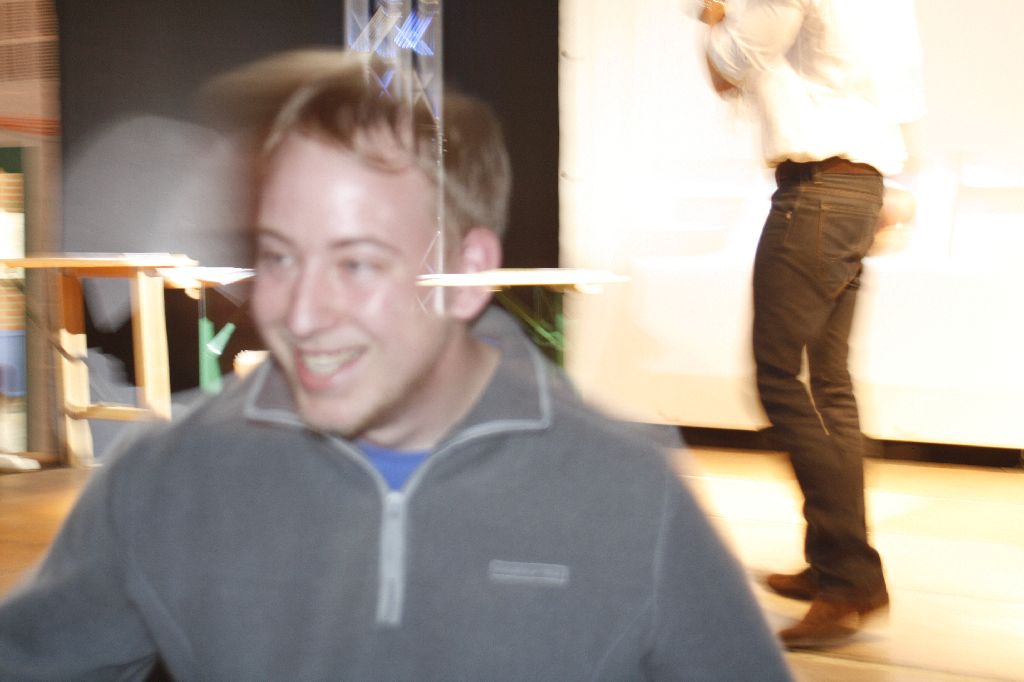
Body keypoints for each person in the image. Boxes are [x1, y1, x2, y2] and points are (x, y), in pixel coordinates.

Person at [0, 49, 792, 680]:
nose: (301, 314)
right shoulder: (168, 482)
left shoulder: (626, 493)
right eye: (278, 255)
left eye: (358, 262)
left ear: (468, 274)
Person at [698, 0, 926, 649]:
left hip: (818, 195)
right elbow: (901, 96)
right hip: (858, 189)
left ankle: (849, 579)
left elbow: (727, 67)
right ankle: (837, 564)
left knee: (783, 380)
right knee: (829, 387)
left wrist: (713, 16)